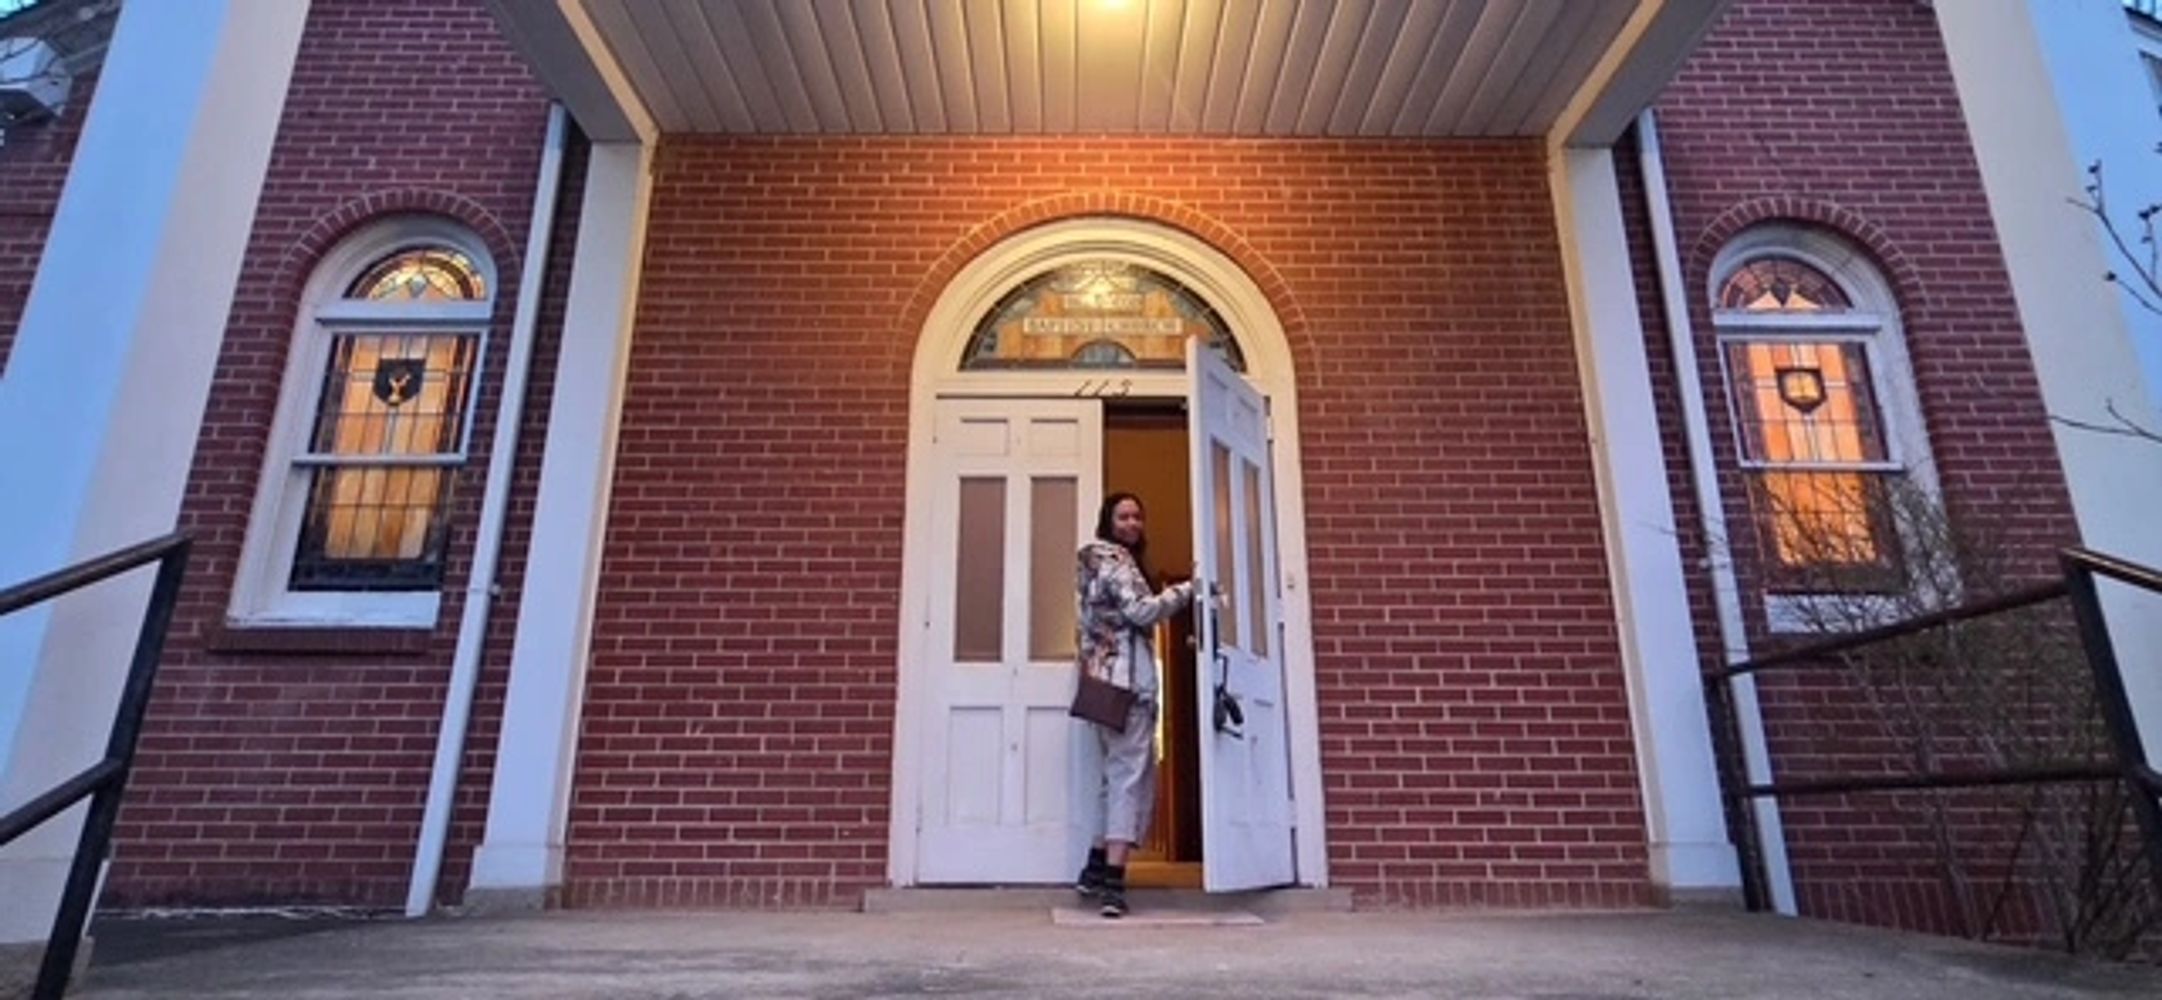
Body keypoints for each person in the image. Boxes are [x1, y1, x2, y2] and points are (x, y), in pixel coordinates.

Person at [1072, 492, 1194, 918]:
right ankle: (1114, 885)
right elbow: (1141, 613)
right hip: (1129, 687)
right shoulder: (1118, 561)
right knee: (1127, 780)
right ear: (1107, 521)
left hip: (1100, 684)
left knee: (1111, 780)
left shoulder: (1089, 565)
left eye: (1138, 516)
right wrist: (1187, 591)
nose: (1132, 523)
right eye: (1123, 516)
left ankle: (1092, 869)